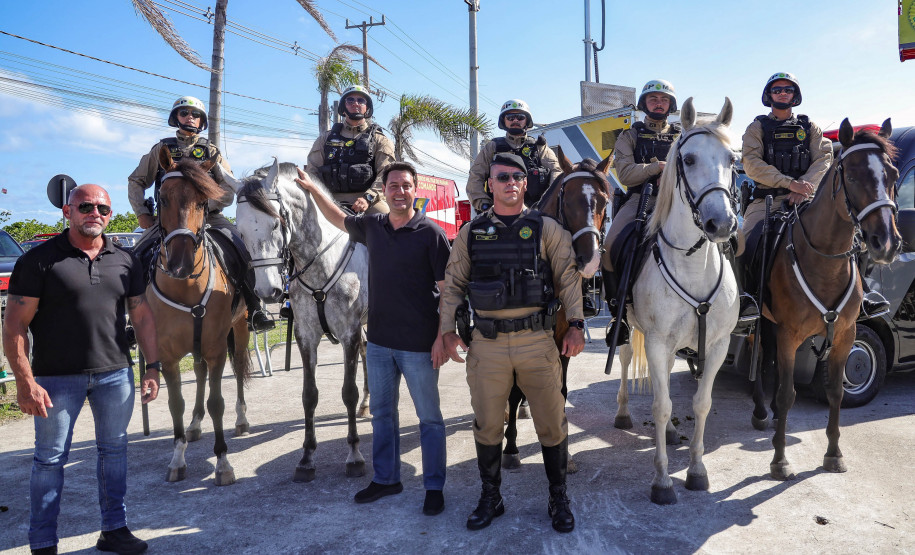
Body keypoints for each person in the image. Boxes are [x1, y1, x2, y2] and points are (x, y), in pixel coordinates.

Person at [3, 184, 161, 555]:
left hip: (115, 374)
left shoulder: (124, 259)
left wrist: (152, 368)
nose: (95, 214)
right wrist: (25, 383)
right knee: (50, 459)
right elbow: (13, 327)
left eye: (103, 209)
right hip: (57, 379)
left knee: (115, 452)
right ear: (67, 212)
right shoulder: (39, 260)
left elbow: (141, 315)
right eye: (86, 206)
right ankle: (42, 542)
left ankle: (114, 530)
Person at [294, 162, 451, 516]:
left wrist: (444, 336)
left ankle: (434, 486)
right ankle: (386, 478)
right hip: (379, 343)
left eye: (406, 185)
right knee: (382, 415)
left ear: (415, 190)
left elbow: (448, 292)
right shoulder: (373, 227)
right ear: (385, 189)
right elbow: (337, 218)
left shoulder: (432, 234)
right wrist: (313, 189)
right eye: (393, 185)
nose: (399, 191)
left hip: (419, 345)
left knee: (429, 418)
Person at [440, 153, 585, 533]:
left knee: (552, 423)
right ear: (490, 184)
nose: (509, 183)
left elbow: (569, 279)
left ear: (524, 184)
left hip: (536, 341)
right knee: (488, 424)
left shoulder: (546, 228)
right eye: (501, 177)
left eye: (516, 177)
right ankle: (491, 496)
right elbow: (453, 284)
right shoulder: (471, 232)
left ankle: (558, 496)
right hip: (486, 344)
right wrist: (447, 330)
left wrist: (576, 325)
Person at [740, 72, 887, 316]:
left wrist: (804, 186)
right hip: (768, 201)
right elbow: (751, 163)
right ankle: (746, 300)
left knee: (854, 236)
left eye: (788, 89)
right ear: (769, 95)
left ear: (795, 95)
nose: (783, 93)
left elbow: (824, 158)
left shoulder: (810, 127)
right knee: (745, 242)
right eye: (777, 90)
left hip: (807, 199)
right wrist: (789, 184)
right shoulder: (756, 128)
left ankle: (864, 295)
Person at [127, 95, 273, 332]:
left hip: (209, 217)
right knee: (135, 257)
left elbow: (227, 188)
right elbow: (136, 180)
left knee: (241, 249)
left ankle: (255, 308)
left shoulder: (210, 151)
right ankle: (130, 320)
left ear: (201, 121)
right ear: (175, 118)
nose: (190, 118)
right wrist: (142, 213)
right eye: (184, 113)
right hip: (168, 220)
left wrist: (204, 209)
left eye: (195, 115)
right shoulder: (160, 149)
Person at [600, 79, 681, 342]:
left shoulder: (683, 135)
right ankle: (619, 314)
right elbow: (625, 173)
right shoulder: (629, 135)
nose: (659, 103)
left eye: (664, 99)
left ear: (671, 104)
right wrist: (657, 168)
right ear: (644, 104)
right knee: (609, 248)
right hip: (640, 200)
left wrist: (670, 175)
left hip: (677, 199)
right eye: (653, 99)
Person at [305, 85, 395, 215]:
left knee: (388, 221)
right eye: (350, 100)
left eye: (361, 101)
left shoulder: (380, 140)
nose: (355, 104)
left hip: (369, 201)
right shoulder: (324, 139)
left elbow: (386, 174)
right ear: (343, 107)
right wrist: (321, 196)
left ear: (367, 107)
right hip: (328, 200)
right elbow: (312, 172)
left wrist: (368, 198)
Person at [466, 99, 562, 213]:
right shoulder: (492, 147)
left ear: (527, 121)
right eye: (510, 117)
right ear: (504, 121)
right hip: (500, 215)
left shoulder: (539, 147)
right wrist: (484, 205)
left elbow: (557, 171)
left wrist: (549, 200)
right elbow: (475, 176)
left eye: (520, 117)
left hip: (536, 215)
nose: (515, 120)